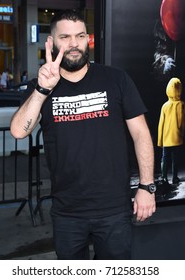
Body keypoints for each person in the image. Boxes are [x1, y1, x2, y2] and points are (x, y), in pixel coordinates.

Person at [10, 10, 156, 260]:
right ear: (51, 42)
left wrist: (147, 186)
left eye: (79, 36)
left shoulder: (115, 79)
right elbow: (18, 131)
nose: (74, 44)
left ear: (87, 39)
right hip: (67, 210)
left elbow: (141, 134)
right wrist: (44, 88)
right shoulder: (42, 87)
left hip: (114, 208)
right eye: (64, 37)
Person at [157, 77, 185, 184]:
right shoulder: (181, 105)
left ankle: (164, 177)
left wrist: (160, 140)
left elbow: (161, 124)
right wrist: (182, 134)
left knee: (164, 157)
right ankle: (174, 178)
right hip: (177, 138)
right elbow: (182, 122)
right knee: (175, 159)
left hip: (166, 138)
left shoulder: (165, 106)